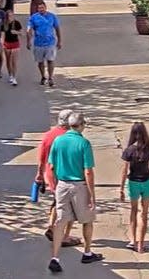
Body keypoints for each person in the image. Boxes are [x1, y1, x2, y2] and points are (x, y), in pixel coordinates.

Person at [47, 112, 103, 272]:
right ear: (82, 125)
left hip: (62, 185)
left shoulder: (58, 141)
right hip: (79, 185)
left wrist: (57, 183)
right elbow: (88, 171)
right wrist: (92, 194)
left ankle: (55, 257)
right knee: (87, 220)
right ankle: (87, 252)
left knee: (60, 221)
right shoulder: (84, 143)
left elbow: (51, 166)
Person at [36, 110, 81, 248]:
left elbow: (41, 159)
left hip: (50, 174)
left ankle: (51, 226)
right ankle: (64, 236)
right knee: (69, 206)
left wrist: (39, 175)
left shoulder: (48, 136)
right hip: (66, 174)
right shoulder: (71, 137)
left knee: (58, 200)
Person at [119, 121, 149, 253]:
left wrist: (121, 188)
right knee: (144, 214)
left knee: (133, 211)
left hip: (133, 182)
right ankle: (141, 244)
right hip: (146, 182)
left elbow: (124, 170)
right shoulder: (148, 150)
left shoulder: (129, 150)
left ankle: (132, 240)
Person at [27, 2, 62, 87]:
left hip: (50, 43)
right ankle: (43, 77)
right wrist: (28, 41)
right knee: (40, 62)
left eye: (42, 8)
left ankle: (50, 78)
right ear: (37, 9)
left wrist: (59, 41)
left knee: (50, 60)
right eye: (39, 8)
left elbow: (57, 28)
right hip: (38, 43)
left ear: (45, 7)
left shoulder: (52, 16)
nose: (41, 9)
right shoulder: (33, 17)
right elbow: (29, 29)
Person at [2, 10, 22, 86]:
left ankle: (14, 77)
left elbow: (21, 33)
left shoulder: (16, 23)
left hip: (15, 43)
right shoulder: (4, 24)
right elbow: (2, 35)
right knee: (8, 60)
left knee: (14, 61)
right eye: (8, 16)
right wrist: (2, 43)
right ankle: (10, 75)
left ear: (13, 16)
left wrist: (16, 32)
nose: (9, 17)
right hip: (7, 43)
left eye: (10, 16)